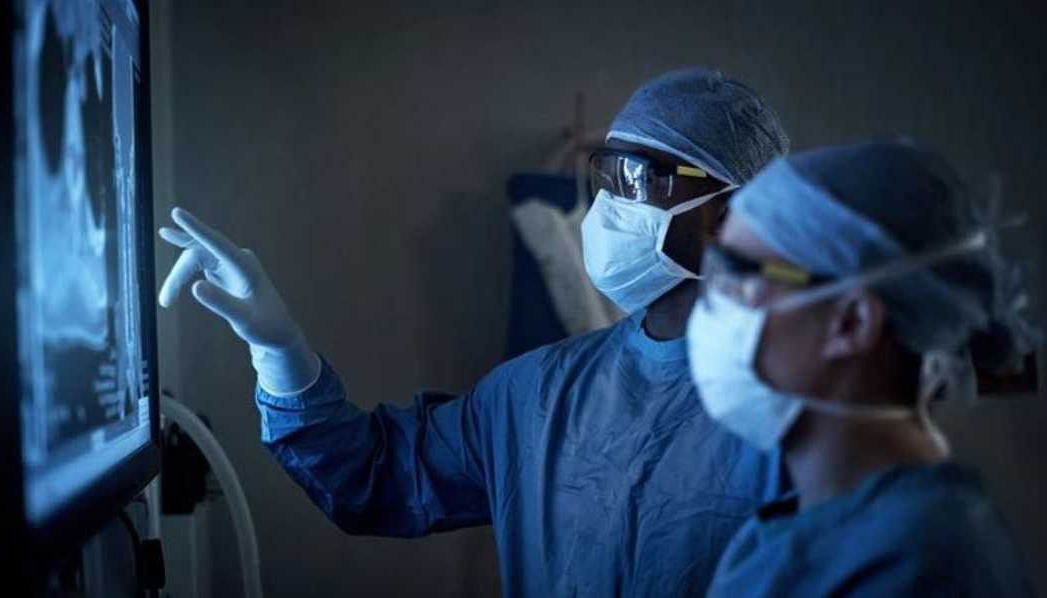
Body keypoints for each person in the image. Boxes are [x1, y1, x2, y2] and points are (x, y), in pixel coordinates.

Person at [158, 68, 791, 596]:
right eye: (606, 177)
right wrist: (280, 353)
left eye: (637, 180)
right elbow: (373, 477)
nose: (608, 210)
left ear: (729, 215)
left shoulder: (807, 408)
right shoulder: (540, 393)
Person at [685, 140, 1040, 596]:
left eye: (738, 277)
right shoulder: (794, 528)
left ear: (851, 322)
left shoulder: (921, 565)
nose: (712, 305)